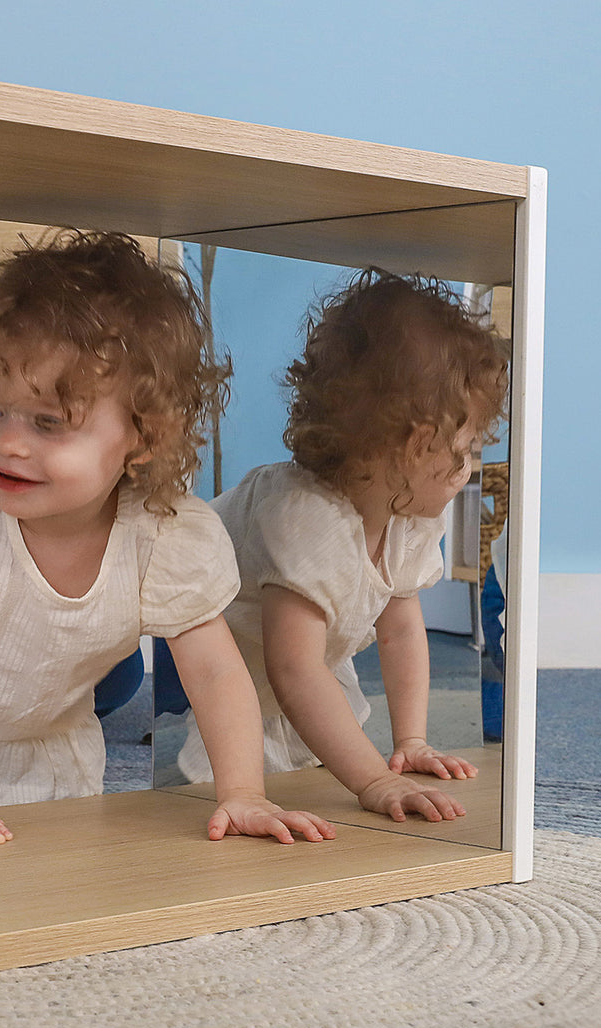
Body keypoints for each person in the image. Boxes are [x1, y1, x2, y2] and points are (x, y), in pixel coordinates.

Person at [0, 229, 335, 848]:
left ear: (146, 437)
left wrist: (243, 792)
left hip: (55, 752)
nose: (9, 443)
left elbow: (214, 671)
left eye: (49, 422)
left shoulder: (162, 537)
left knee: (51, 902)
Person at [178, 269, 510, 823]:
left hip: (309, 648)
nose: (470, 467)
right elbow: (294, 670)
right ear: (405, 445)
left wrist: (412, 739)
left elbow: (401, 628)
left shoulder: (408, 511)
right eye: (466, 448)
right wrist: (373, 780)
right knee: (238, 771)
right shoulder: (309, 517)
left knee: (309, 759)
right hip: (228, 646)